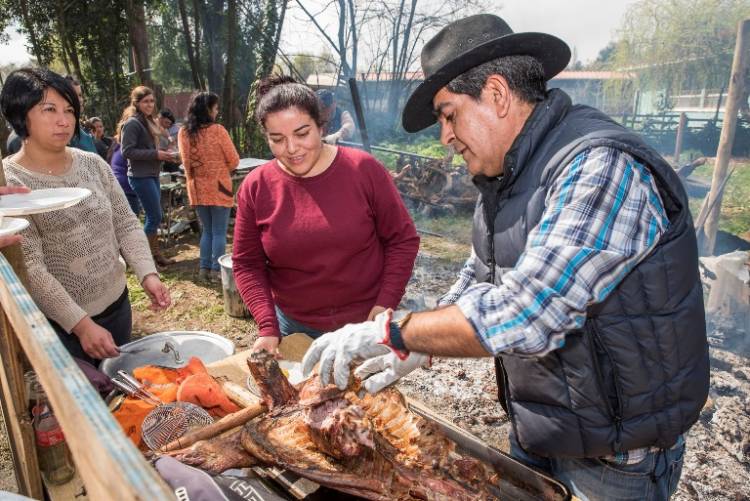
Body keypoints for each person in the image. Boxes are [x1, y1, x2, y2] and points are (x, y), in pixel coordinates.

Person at [301, 14, 709, 501]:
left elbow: (530, 311)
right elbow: (481, 275)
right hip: (541, 425)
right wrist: (421, 345)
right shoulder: (503, 178)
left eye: (448, 114)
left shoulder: (598, 165)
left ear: (496, 94)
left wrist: (391, 330)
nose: (445, 137)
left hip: (618, 458)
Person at [233, 75, 419, 356]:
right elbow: (247, 263)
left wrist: (386, 302)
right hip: (293, 331)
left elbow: (402, 239)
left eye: (302, 133)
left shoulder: (363, 169)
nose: (292, 148)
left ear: (321, 126)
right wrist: (267, 326)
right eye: (277, 139)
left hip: (366, 325)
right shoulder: (256, 186)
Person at [0, 67, 171, 365]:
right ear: (20, 113)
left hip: (118, 305)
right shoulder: (10, 183)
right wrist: (81, 325)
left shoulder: (92, 164)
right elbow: (31, 268)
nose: (64, 121)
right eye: (49, 110)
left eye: (69, 110)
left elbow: (126, 223)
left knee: (122, 395)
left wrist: (148, 273)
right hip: (62, 327)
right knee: (89, 401)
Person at [177, 92, 239, 282]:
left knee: (208, 231)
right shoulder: (218, 130)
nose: (217, 111)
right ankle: (216, 271)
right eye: (215, 107)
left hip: (196, 187)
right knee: (220, 232)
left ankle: (204, 269)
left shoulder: (184, 132)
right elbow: (234, 161)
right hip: (221, 186)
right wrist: (220, 170)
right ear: (208, 109)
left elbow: (186, 163)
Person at [117, 85, 177, 267]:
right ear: (137, 103)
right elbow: (127, 151)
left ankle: (155, 256)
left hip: (151, 174)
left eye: (152, 101)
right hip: (139, 176)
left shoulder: (148, 121)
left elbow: (147, 149)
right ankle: (144, 258)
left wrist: (164, 153)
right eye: (146, 101)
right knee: (154, 216)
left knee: (154, 216)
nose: (150, 104)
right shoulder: (133, 123)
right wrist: (156, 155)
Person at [63, 75, 97, 153]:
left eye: (80, 95)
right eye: (75, 95)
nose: (80, 100)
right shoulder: (64, 129)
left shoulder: (78, 127)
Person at [158, 109, 181, 173]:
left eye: (169, 124)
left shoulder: (170, 130)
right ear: (160, 118)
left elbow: (171, 143)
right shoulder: (154, 127)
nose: (167, 125)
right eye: (166, 122)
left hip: (168, 160)